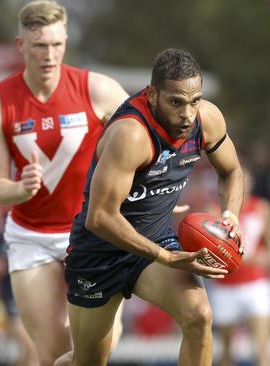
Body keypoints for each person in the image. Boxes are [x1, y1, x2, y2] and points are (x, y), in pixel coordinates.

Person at [59, 48, 245, 366]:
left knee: (199, 315)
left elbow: (231, 171)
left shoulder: (206, 119)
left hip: (156, 241)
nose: (187, 113)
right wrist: (169, 257)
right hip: (99, 255)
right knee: (87, 362)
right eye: (176, 102)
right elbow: (100, 218)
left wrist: (231, 213)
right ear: (152, 94)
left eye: (195, 100)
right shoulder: (130, 135)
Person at [0, 1, 130, 364]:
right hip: (32, 237)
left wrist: (153, 192)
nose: (50, 55)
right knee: (50, 352)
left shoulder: (98, 88)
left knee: (96, 348)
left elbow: (144, 139)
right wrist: (21, 188)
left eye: (57, 45)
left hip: (94, 230)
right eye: (40, 45)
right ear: (21, 45)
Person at [207, 167, 270, 366]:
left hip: (256, 283)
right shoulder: (213, 211)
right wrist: (250, 259)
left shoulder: (261, 207)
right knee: (226, 351)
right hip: (226, 286)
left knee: (263, 349)